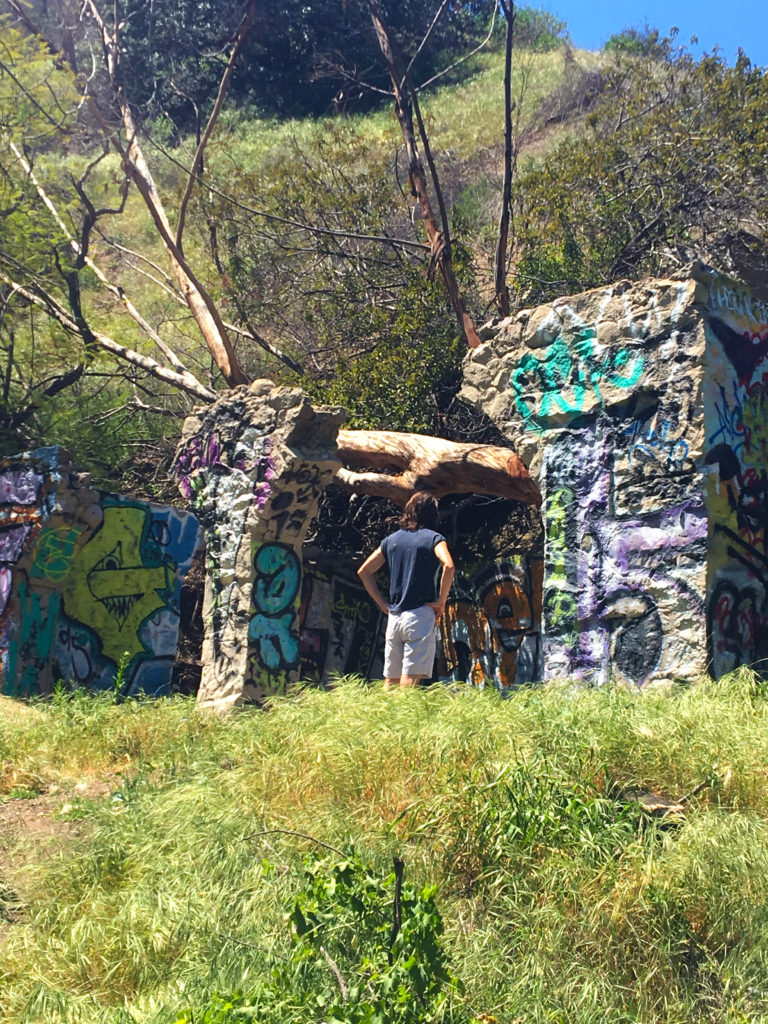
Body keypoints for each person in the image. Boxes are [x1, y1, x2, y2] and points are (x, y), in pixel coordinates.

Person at [357, 491, 454, 688]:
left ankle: (383, 718)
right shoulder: (434, 538)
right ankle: (403, 718)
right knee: (410, 681)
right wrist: (441, 601)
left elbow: (364, 571)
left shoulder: (391, 540)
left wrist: (382, 604)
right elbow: (449, 565)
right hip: (419, 616)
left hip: (394, 617)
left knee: (390, 681)